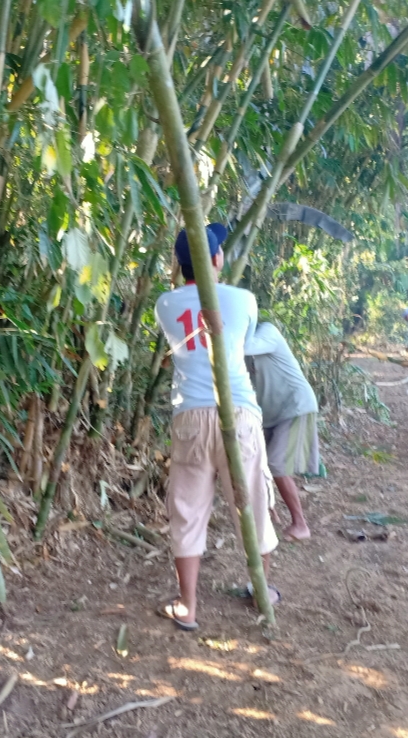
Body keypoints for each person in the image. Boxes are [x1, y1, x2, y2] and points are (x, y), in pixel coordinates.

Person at [153, 224, 278, 631]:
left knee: (187, 511)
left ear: (179, 265)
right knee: (252, 500)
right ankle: (261, 590)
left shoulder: (165, 304)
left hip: (189, 415)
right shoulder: (244, 299)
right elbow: (240, 342)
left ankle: (187, 606)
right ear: (217, 259)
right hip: (238, 412)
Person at [245, 322, 319, 541]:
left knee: (276, 464)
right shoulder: (240, 348)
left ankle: (300, 524)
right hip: (269, 414)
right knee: (258, 464)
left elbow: (245, 346)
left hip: (295, 406)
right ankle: (269, 511)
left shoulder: (267, 331)